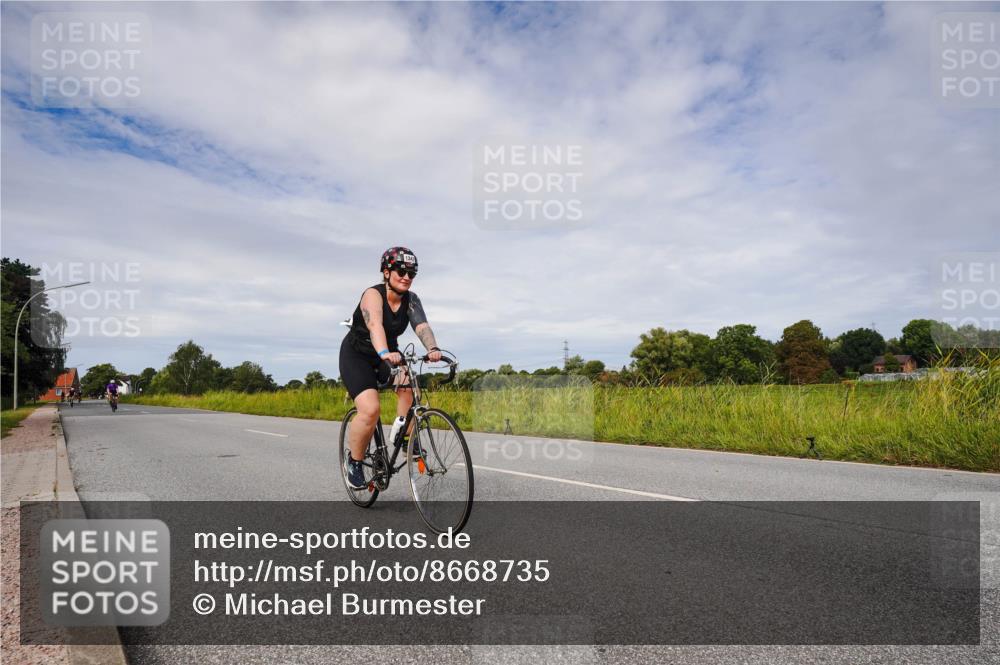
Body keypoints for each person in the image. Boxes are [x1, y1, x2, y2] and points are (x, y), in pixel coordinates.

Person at [339, 247, 442, 490]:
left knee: (410, 387)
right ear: (386, 272)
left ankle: (403, 434)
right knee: (370, 409)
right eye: (401, 271)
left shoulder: (411, 299)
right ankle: (354, 461)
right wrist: (384, 353)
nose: (406, 277)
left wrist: (433, 349)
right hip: (359, 355)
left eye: (412, 273)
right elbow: (375, 325)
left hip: (389, 353)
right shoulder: (373, 295)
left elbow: (422, 326)